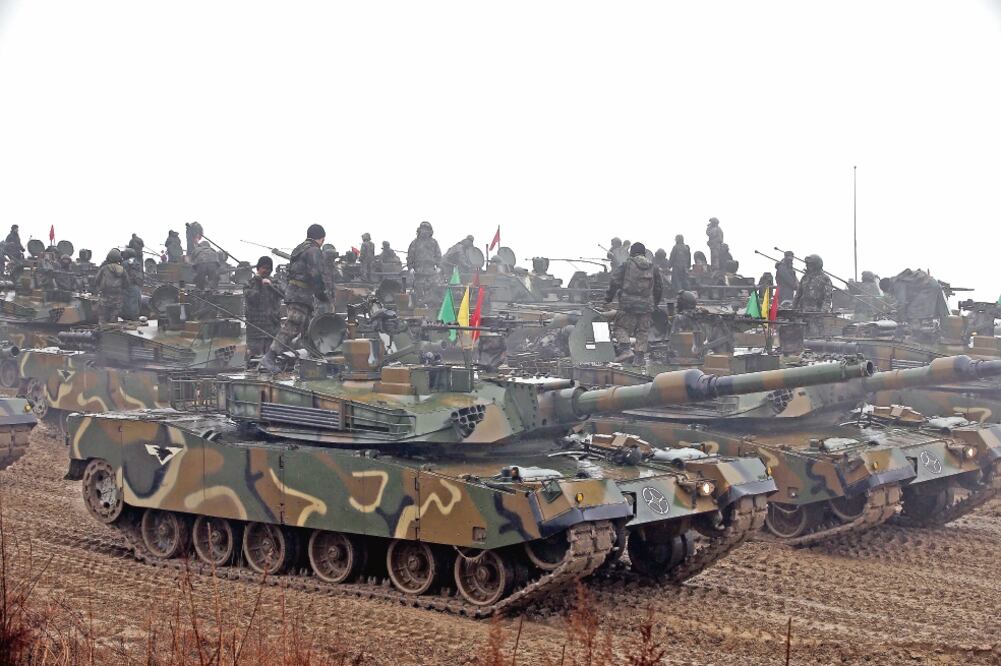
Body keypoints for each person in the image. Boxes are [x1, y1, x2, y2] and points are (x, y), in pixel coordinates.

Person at [261, 224, 336, 371]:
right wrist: (322, 295)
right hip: (301, 295)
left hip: (296, 293)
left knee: (309, 331)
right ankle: (269, 357)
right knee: (293, 326)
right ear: (321, 238)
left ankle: (311, 362)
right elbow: (316, 275)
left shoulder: (299, 249)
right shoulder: (314, 250)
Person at [604, 241, 663, 366]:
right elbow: (659, 288)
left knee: (620, 327)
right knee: (643, 331)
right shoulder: (653, 267)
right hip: (647, 305)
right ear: (644, 253)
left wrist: (608, 299)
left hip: (628, 305)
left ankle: (626, 350)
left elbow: (614, 282)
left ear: (631, 252)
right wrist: (654, 304)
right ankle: (639, 358)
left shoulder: (626, 265)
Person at [244, 256, 283, 361]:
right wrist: (259, 284)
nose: (266, 270)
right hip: (255, 329)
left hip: (272, 329)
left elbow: (284, 294)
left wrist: (271, 286)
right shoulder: (249, 283)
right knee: (253, 360)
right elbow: (253, 298)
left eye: (269, 268)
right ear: (258, 268)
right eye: (264, 268)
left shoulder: (275, 282)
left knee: (272, 359)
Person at [406, 221, 441, 303]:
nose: (425, 231)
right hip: (419, 272)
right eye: (423, 229)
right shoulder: (415, 243)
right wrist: (410, 268)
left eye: (427, 229)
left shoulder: (434, 242)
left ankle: (432, 305)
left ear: (430, 231)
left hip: (431, 271)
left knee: (434, 289)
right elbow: (410, 256)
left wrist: (439, 267)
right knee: (419, 290)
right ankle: (420, 305)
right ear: (419, 230)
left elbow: (438, 255)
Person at [95, 248, 130, 325]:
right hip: (117, 297)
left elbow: (96, 280)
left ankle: (102, 331)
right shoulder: (122, 269)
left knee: (102, 319)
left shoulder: (104, 268)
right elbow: (127, 283)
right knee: (114, 320)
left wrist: (98, 289)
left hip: (105, 296)